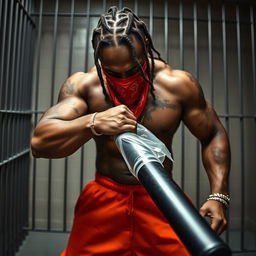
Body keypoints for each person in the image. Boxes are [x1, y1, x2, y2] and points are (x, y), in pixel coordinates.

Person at [31, 6, 231, 256]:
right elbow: (40, 143)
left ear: (146, 44)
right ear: (98, 56)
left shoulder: (177, 85)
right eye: (114, 72)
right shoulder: (86, 85)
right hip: (106, 196)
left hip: (162, 198)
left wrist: (219, 195)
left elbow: (212, 133)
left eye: (132, 69)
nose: (124, 78)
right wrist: (92, 122)